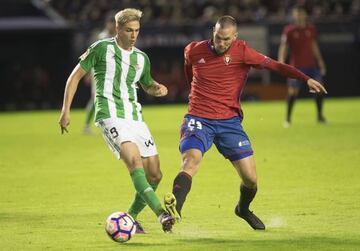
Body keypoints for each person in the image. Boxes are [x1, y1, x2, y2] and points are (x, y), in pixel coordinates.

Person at [164, 15, 327, 230]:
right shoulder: (193, 50)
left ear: (235, 37)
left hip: (229, 122)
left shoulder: (243, 51)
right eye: (218, 38)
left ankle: (243, 209)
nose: (221, 43)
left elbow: (276, 66)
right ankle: (173, 214)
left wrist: (305, 79)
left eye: (226, 40)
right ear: (213, 31)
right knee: (190, 161)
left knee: (250, 180)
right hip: (198, 118)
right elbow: (189, 71)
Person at [59, 8, 175, 233]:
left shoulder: (142, 58)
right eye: (129, 30)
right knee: (134, 162)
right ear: (118, 29)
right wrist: (66, 110)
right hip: (109, 115)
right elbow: (74, 77)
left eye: (137, 31)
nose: (133, 35)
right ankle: (161, 214)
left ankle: (130, 218)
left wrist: (157, 89)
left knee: (155, 174)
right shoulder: (101, 48)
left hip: (135, 117)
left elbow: (147, 84)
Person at [278, 7, 327, 128]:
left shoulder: (311, 29)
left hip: (311, 65)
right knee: (293, 92)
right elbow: (284, 46)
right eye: (297, 14)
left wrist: (320, 61)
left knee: (319, 89)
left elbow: (313, 45)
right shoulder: (289, 30)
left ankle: (320, 116)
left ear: (304, 15)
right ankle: (288, 119)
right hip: (296, 67)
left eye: (301, 14)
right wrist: (281, 61)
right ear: (294, 16)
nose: (299, 16)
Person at [83, 15, 116, 134]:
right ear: (107, 24)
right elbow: (92, 55)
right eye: (111, 23)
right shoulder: (101, 37)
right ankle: (87, 125)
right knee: (95, 98)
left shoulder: (117, 37)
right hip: (99, 72)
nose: (113, 25)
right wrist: (89, 73)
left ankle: (111, 125)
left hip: (113, 72)